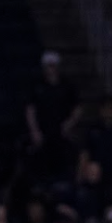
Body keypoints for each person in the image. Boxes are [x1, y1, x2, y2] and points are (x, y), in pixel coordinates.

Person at [25, 51, 81, 184]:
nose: (50, 69)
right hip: (43, 133)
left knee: (63, 165)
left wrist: (69, 124)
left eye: (53, 65)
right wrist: (34, 130)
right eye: (48, 66)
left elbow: (77, 108)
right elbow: (30, 109)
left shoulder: (67, 86)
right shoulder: (37, 86)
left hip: (61, 133)